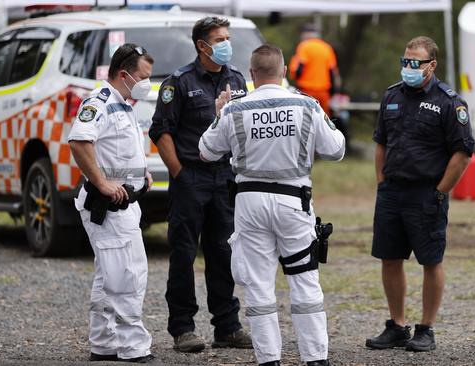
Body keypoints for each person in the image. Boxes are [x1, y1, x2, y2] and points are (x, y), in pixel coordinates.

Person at [198, 44, 345, 366]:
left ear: (251, 74)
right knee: (304, 279)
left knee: (259, 286)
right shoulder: (307, 105)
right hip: (294, 202)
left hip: (249, 203)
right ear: (284, 72)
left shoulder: (236, 109)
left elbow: (207, 152)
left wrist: (219, 113)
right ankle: (315, 358)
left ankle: (269, 360)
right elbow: (336, 150)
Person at [148, 17, 251, 352]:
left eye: (227, 38)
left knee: (223, 252)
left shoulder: (235, 78)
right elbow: (161, 132)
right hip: (190, 177)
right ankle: (182, 329)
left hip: (225, 178)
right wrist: (179, 173)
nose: (226, 44)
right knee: (183, 254)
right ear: (201, 45)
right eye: (219, 39)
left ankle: (227, 326)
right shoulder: (179, 82)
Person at [366, 36, 474, 353]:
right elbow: (381, 143)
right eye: (405, 62)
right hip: (392, 192)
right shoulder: (391, 96)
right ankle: (397, 326)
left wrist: (441, 192)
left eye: (415, 63)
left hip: (427, 192)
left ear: (432, 65)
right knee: (389, 257)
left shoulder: (448, 101)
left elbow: (463, 153)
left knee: (431, 260)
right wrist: (382, 182)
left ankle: (426, 329)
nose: (409, 68)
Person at [68, 43, 155, 363]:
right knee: (127, 275)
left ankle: (103, 343)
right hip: (108, 205)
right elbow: (79, 141)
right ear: (124, 74)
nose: (148, 82)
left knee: (109, 276)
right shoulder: (100, 101)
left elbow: (117, 149)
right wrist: (101, 182)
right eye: (143, 76)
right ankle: (133, 347)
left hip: (127, 202)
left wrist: (141, 173)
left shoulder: (123, 104)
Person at [288, 24, 341, 116]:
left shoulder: (304, 46)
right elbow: (332, 72)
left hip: (306, 91)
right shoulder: (327, 48)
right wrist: (333, 92)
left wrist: (295, 80)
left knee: (305, 120)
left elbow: (299, 69)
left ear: (306, 35)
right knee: (324, 121)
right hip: (324, 93)